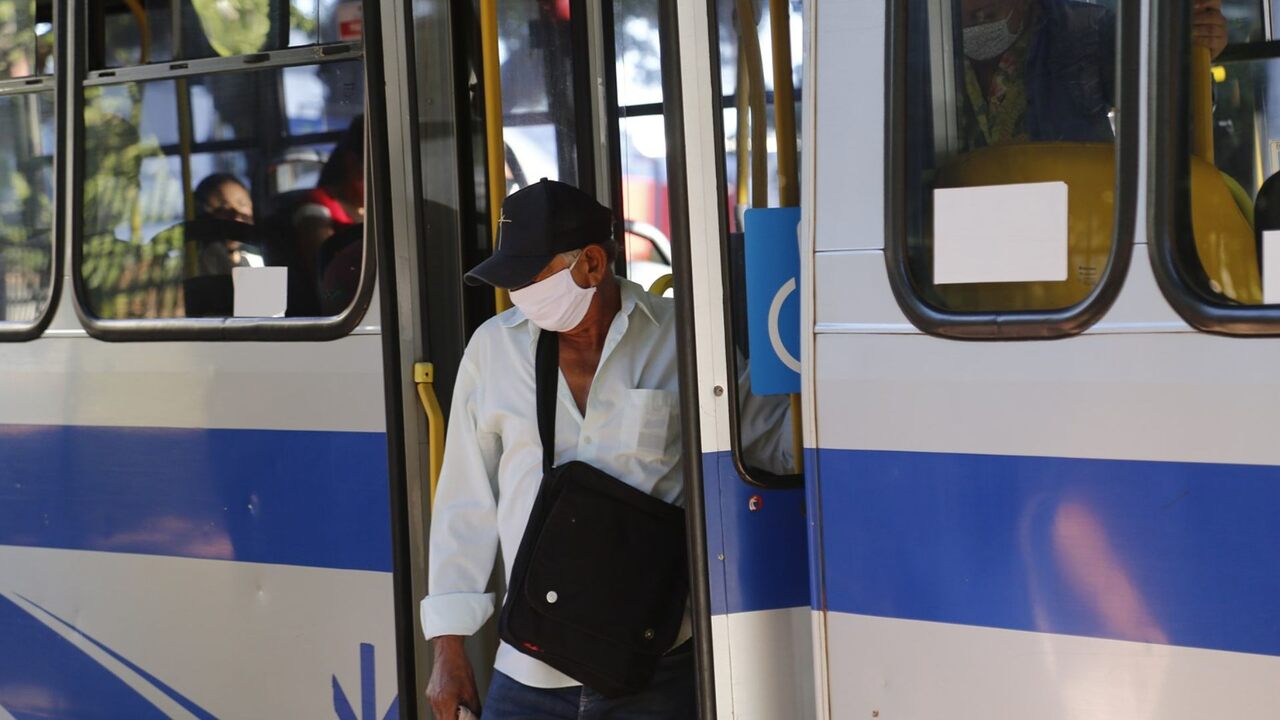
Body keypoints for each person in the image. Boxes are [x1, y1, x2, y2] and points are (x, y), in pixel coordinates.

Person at [421, 180, 695, 720]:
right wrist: (448, 647)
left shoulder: (680, 339)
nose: (516, 294)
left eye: (530, 277)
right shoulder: (494, 349)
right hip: (528, 673)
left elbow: (768, 444)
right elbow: (464, 503)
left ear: (592, 264)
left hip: (652, 669)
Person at [957, 0, 1228, 147]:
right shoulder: (922, 52)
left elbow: (1170, 113)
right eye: (967, 16)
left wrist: (1189, 57)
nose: (978, 15)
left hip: (1080, 226)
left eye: (988, 13)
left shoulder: (1088, 32)